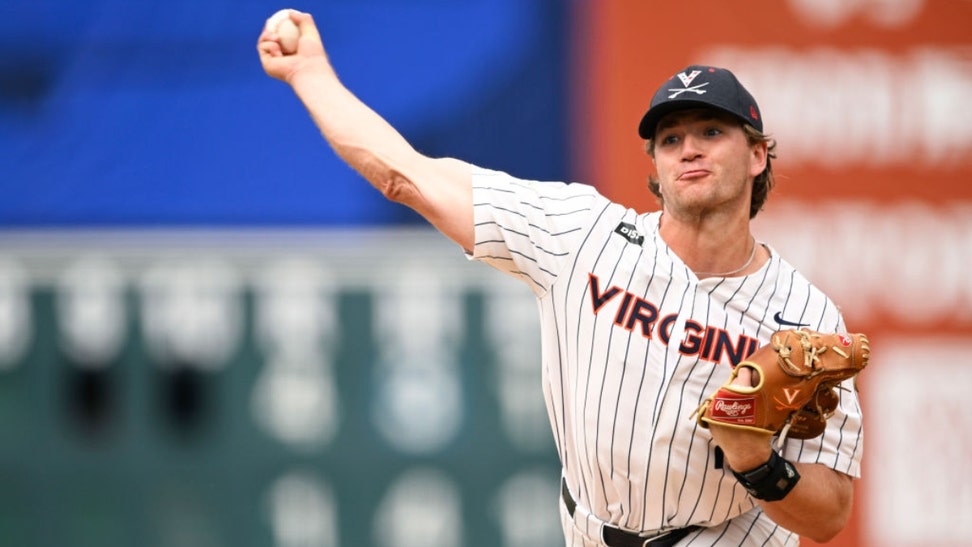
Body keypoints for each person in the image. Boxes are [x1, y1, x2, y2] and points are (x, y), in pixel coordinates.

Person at [257, 10, 863, 547]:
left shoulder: (804, 317)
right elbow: (406, 176)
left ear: (758, 155)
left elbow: (829, 516)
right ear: (654, 165)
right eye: (670, 138)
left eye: (712, 131)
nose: (688, 149)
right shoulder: (582, 235)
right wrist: (310, 75)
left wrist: (757, 462)